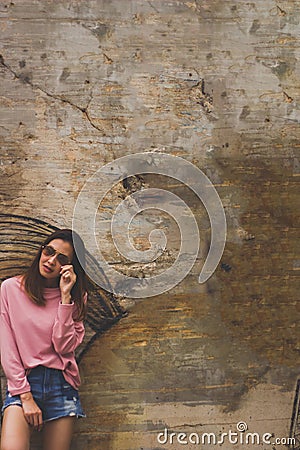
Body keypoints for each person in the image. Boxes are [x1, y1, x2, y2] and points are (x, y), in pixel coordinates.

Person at [0, 228, 88, 450]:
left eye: (61, 259)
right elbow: (7, 348)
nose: (51, 261)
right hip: (24, 384)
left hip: (62, 386)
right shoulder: (10, 289)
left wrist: (66, 298)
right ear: (41, 251)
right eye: (49, 251)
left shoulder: (76, 299)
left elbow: (63, 345)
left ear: (69, 268)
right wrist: (25, 396)